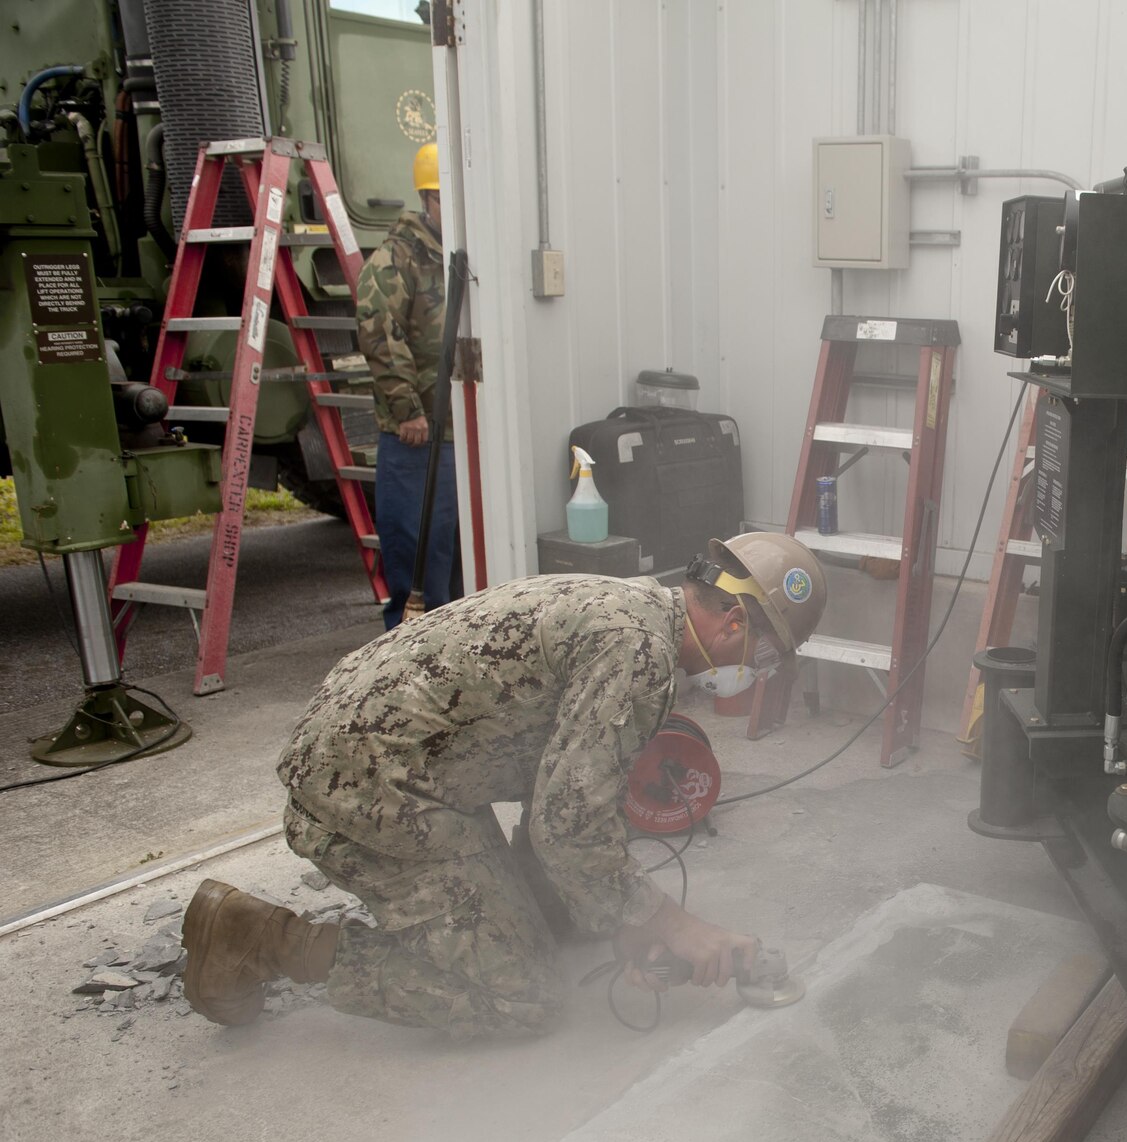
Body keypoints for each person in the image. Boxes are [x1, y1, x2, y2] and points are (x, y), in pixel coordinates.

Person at [178, 533, 828, 1037]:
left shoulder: (635, 610)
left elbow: (556, 798)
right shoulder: (641, 655)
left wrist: (626, 926)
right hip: (368, 784)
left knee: (553, 920)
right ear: (736, 624)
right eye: (767, 658)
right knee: (521, 993)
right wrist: (674, 923)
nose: (757, 673)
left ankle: (497, 928)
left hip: (389, 758)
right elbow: (568, 829)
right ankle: (258, 937)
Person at [356, 141, 457, 630]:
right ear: (426, 198)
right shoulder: (398, 257)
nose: (452, 208)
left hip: (461, 433)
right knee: (413, 552)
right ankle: (409, 652)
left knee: (451, 551)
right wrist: (407, 410)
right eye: (443, 197)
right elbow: (379, 330)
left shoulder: (459, 254)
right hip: (418, 435)